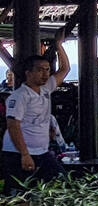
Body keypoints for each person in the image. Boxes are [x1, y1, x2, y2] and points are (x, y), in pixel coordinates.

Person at [3, 46, 69, 190]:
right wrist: (24, 154)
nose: (45, 74)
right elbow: (13, 125)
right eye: (40, 70)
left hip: (42, 152)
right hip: (17, 153)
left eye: (47, 69)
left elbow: (64, 69)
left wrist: (59, 45)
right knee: (21, 195)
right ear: (28, 73)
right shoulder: (20, 96)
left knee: (61, 185)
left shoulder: (45, 89)